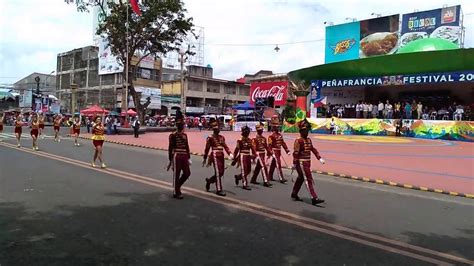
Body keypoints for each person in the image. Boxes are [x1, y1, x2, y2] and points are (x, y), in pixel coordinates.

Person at [291, 119, 325, 205]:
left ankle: (294, 194)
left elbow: (313, 149)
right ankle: (314, 197)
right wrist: (294, 163)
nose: (307, 132)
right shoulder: (299, 141)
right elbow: (296, 153)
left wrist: (319, 158)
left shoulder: (309, 140)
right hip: (302, 163)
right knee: (308, 179)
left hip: (307, 163)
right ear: (301, 131)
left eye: (307, 131)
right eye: (305, 131)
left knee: (301, 178)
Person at [202, 118, 233, 196]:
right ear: (213, 129)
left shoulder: (222, 137)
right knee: (218, 172)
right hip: (215, 155)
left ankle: (209, 181)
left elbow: (225, 146)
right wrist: (205, 158)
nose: (218, 130)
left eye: (218, 128)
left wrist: (229, 153)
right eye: (216, 128)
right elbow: (207, 148)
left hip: (221, 155)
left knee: (221, 173)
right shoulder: (210, 138)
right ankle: (219, 189)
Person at [167, 110, 191, 199]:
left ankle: (177, 186)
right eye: (179, 123)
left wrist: (189, 157)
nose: (181, 125)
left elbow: (187, 147)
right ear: (177, 125)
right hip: (177, 156)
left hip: (184, 156)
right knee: (176, 174)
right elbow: (170, 148)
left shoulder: (185, 135)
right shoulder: (172, 135)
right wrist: (170, 160)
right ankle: (176, 192)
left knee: (187, 173)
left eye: (182, 123)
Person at [233, 125, 256, 190]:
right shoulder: (240, 140)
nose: (248, 133)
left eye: (248, 132)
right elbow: (236, 150)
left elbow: (252, 148)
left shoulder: (250, 140)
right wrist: (234, 158)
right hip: (242, 156)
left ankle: (238, 177)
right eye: (247, 132)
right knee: (244, 170)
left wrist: (254, 155)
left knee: (248, 170)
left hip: (248, 156)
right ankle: (245, 184)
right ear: (243, 133)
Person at [268, 116, 290, 183]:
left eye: (278, 126)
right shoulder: (271, 136)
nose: (278, 128)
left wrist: (287, 150)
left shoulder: (280, 135)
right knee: (278, 164)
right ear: (274, 128)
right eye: (276, 127)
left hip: (279, 151)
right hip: (274, 151)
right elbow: (269, 145)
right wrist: (271, 153)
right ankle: (281, 178)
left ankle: (270, 176)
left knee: (273, 164)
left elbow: (283, 143)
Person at [250, 122, 273, 187]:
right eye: (260, 130)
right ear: (257, 131)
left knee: (258, 167)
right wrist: (255, 154)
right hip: (258, 154)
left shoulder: (264, 138)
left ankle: (253, 179)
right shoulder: (254, 138)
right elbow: (253, 147)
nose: (261, 131)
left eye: (262, 130)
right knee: (264, 166)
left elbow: (266, 146)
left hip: (263, 154)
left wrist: (270, 152)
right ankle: (266, 181)